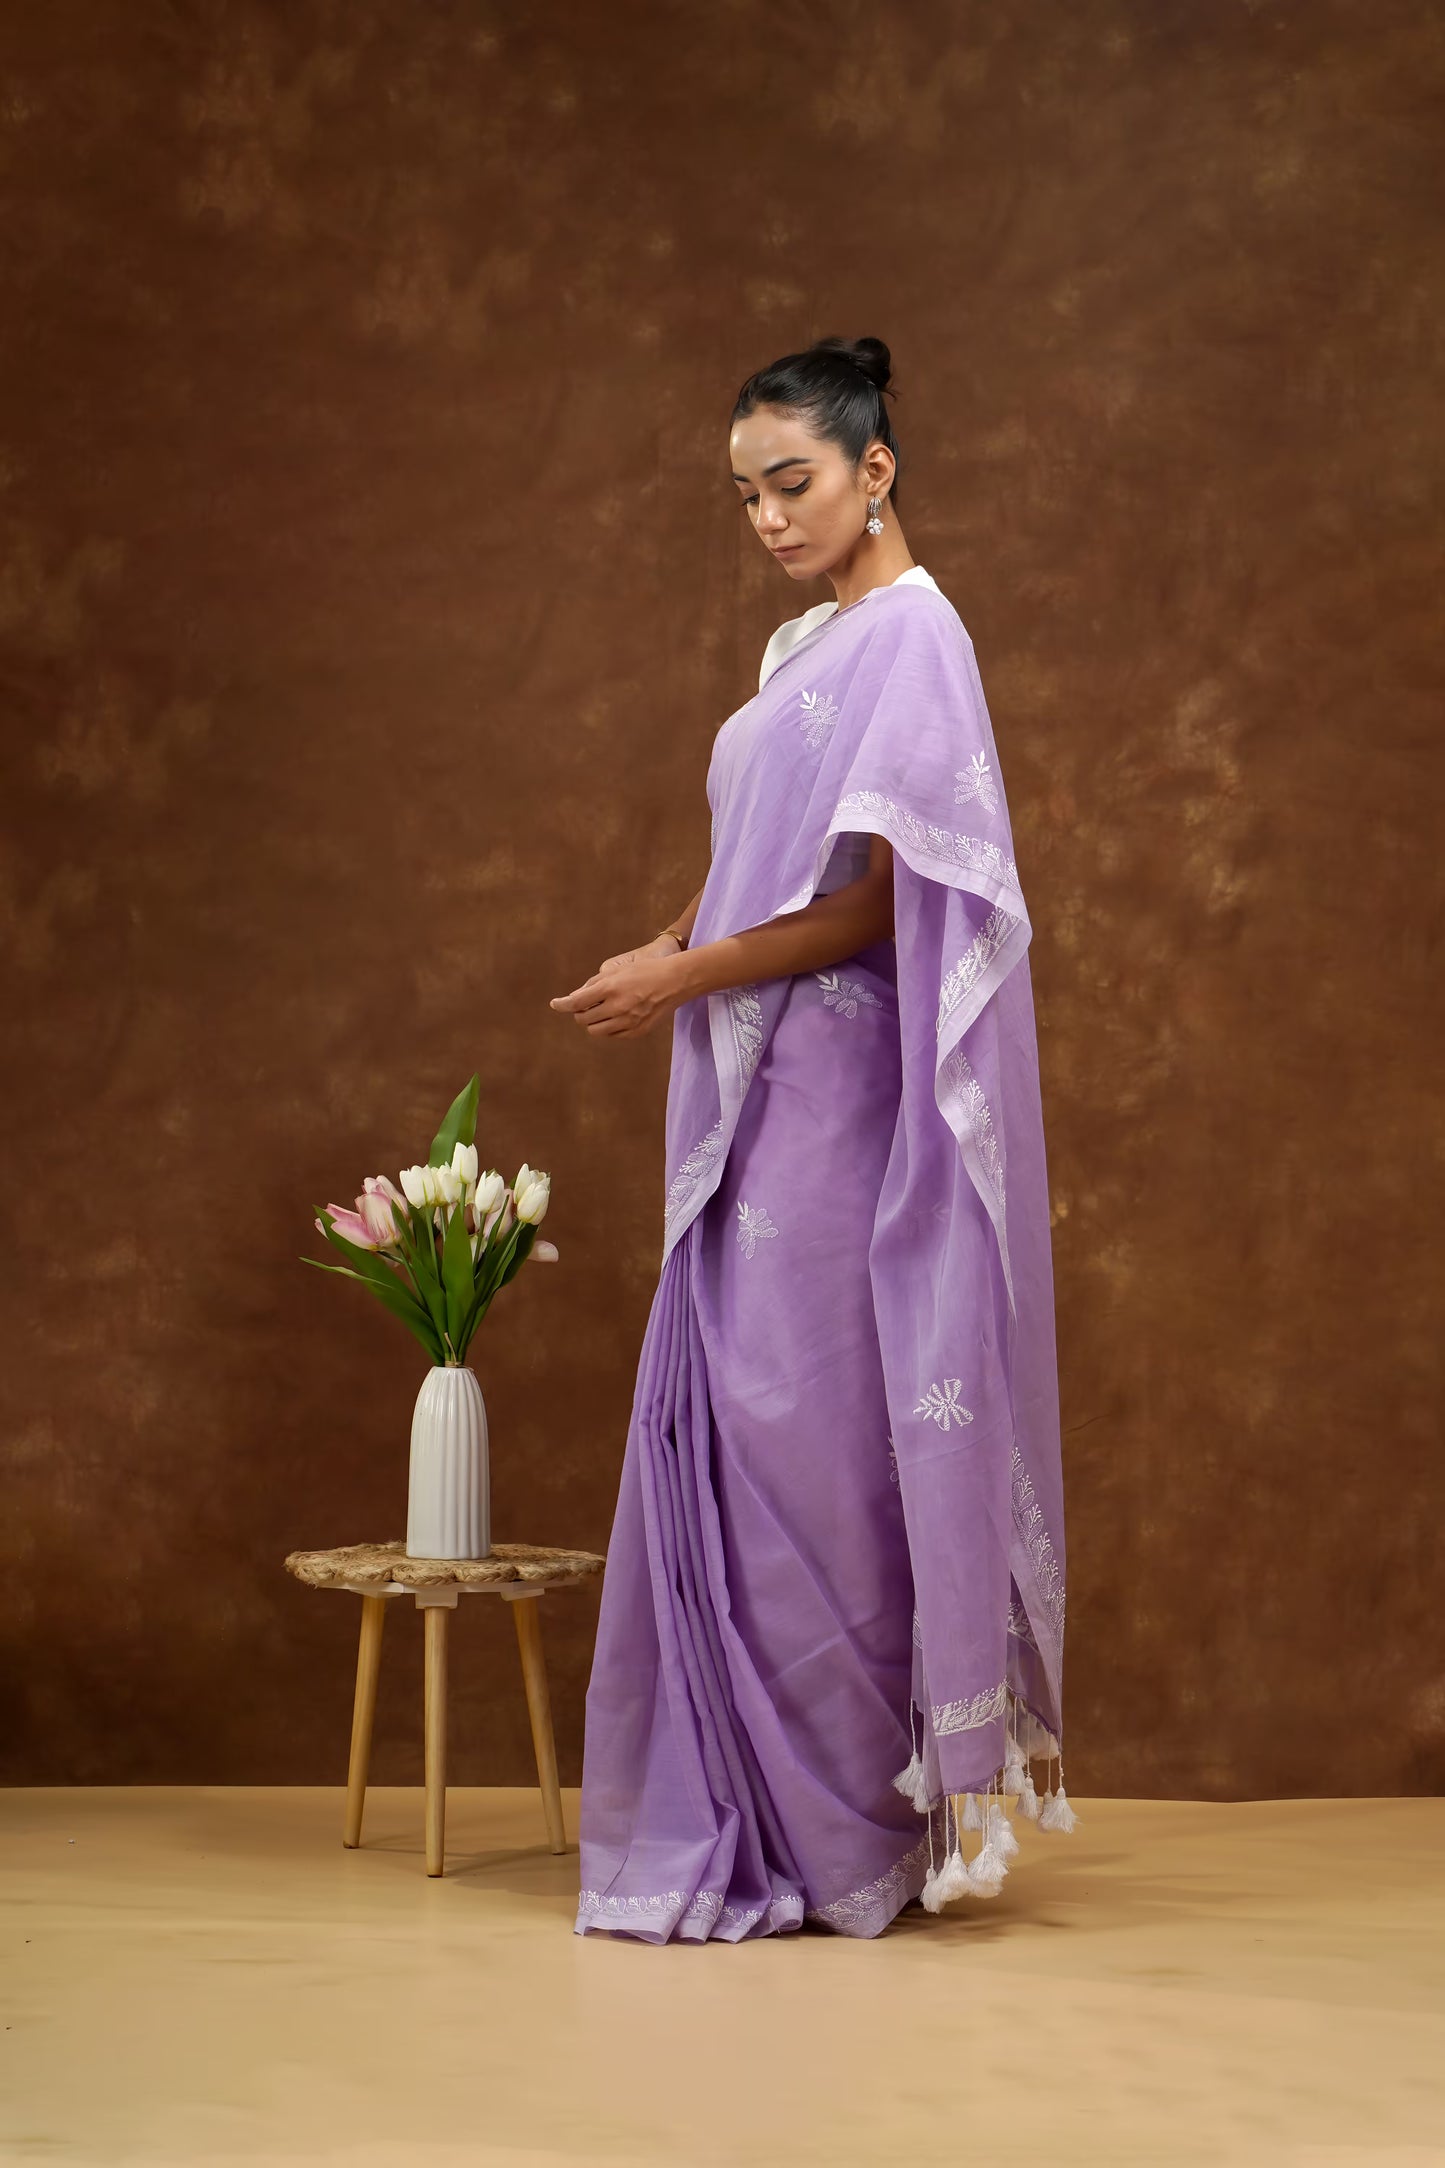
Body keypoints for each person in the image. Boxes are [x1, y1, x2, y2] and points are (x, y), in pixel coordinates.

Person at [548, 336, 1072, 1942]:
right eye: (746, 494)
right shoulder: (807, 649)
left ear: (874, 470)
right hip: (747, 1089)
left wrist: (683, 974)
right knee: (744, 1423)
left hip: (837, 1106)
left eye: (795, 483)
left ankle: (837, 1835)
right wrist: (668, 950)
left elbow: (866, 911)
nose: (770, 516)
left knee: (810, 1451)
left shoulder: (913, 641)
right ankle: (758, 1811)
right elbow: (755, 870)